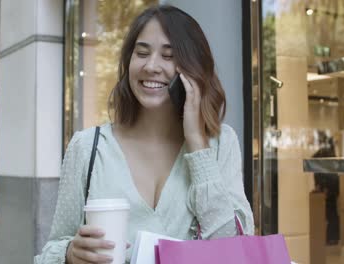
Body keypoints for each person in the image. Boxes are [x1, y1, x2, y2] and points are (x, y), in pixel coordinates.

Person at [35, 5, 254, 264]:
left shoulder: (221, 143)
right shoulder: (87, 148)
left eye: (169, 56)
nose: (151, 66)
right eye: (141, 53)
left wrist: (197, 145)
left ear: (193, 67)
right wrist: (70, 253)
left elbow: (234, 249)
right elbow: (50, 252)